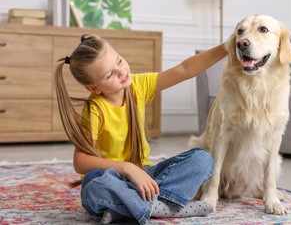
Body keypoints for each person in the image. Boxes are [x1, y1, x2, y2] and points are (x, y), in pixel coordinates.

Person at [54, 34, 227, 224]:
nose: (121, 71)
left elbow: (184, 69)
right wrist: (127, 168)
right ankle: (163, 207)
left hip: (144, 175)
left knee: (203, 160)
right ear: (94, 88)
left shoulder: (138, 85)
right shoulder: (95, 109)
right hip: (112, 179)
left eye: (119, 61)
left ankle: (125, 208)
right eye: (110, 74)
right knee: (94, 186)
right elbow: (80, 162)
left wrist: (225, 47)